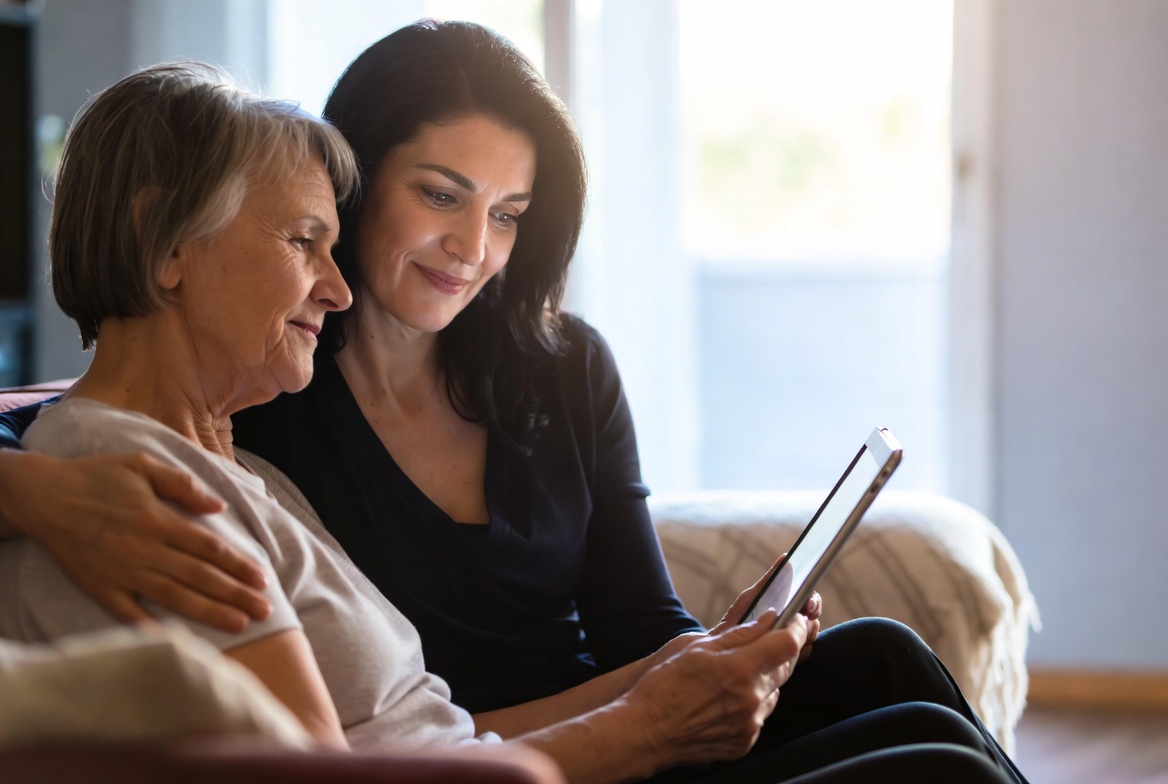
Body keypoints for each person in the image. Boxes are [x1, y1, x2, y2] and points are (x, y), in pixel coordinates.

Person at [0, 23, 1028, 783]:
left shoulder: (241, 448)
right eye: (440, 195)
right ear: (170, 243)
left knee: (885, 664)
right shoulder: (218, 437)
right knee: (936, 768)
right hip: (533, 764)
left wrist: (694, 669)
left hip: (530, 746)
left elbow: (457, 709)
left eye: (508, 216)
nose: (472, 250)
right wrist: (31, 486)